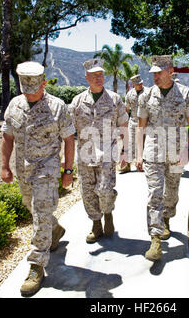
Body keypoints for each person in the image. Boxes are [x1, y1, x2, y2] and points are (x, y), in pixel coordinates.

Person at [0, 61, 75, 297]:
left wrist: (68, 171)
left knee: (40, 211)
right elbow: (7, 137)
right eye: (26, 90)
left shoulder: (57, 106)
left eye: (35, 88)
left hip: (47, 169)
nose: (31, 94)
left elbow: (69, 140)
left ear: (44, 83)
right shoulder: (15, 105)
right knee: (31, 208)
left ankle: (36, 266)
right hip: (23, 169)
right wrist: (5, 166)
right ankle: (53, 230)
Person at [136, 55, 189, 261]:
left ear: (170, 71)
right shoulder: (145, 96)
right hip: (153, 150)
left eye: (159, 72)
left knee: (171, 192)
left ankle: (167, 219)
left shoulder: (187, 94)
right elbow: (141, 127)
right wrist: (137, 154)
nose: (155, 76)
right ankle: (155, 239)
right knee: (154, 193)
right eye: (153, 73)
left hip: (176, 150)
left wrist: (187, 149)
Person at [68, 58, 129, 244]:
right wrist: (66, 163)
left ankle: (108, 214)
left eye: (101, 74)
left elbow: (124, 124)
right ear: (86, 77)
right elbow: (68, 130)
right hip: (85, 154)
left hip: (108, 152)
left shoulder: (114, 99)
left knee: (105, 190)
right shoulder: (78, 102)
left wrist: (126, 150)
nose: (98, 78)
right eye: (94, 75)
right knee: (87, 192)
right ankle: (96, 224)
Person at [120, 74, 149, 174]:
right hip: (133, 122)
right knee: (129, 143)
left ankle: (144, 164)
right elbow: (126, 109)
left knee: (144, 143)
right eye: (138, 84)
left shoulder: (148, 92)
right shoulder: (129, 94)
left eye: (141, 83)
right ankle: (127, 165)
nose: (140, 85)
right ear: (133, 85)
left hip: (145, 122)